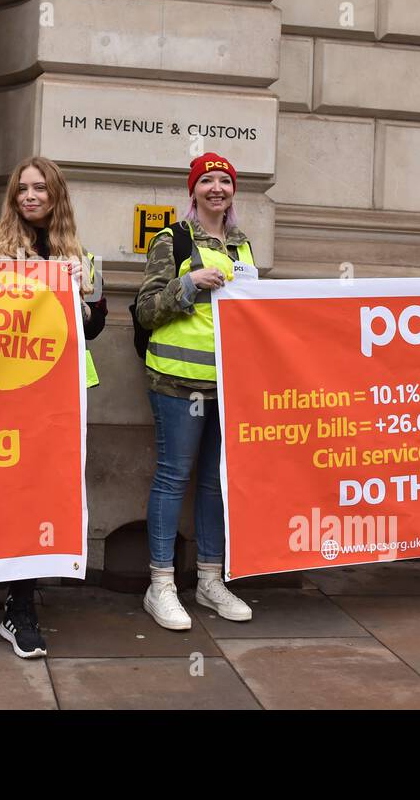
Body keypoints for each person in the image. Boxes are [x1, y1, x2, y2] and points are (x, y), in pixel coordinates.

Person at [0, 155, 106, 657]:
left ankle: (20, 605)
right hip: (0, 392)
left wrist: (78, 299)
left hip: (59, 395)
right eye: (21, 187)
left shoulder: (82, 257)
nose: (29, 195)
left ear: (55, 195)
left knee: (39, 495)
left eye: (39, 188)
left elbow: (93, 327)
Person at [135, 152, 254, 630]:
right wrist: (189, 283)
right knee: (172, 478)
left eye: (224, 180)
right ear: (194, 190)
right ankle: (160, 584)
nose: (216, 188)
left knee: (214, 483)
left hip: (229, 385)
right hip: (178, 382)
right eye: (207, 180)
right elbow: (146, 309)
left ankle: (210, 578)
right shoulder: (173, 238)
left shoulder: (244, 247)